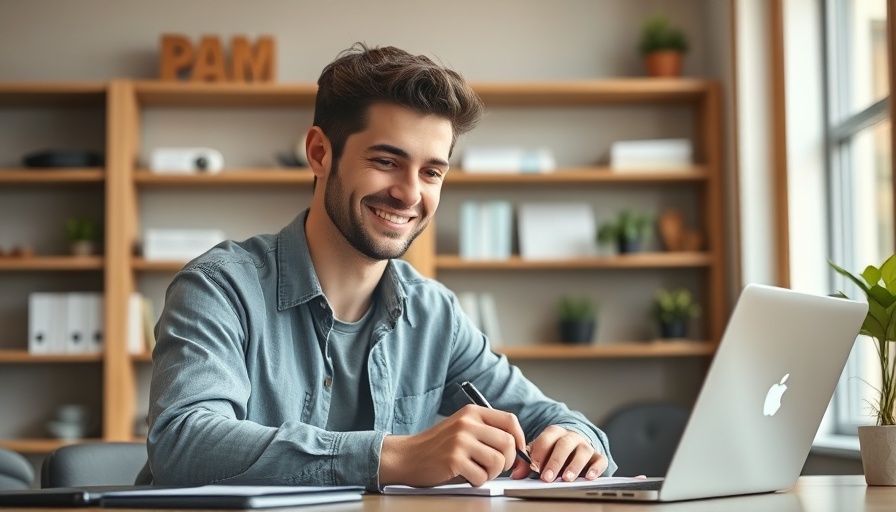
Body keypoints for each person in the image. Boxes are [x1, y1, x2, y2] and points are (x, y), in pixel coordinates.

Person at [140, 42, 616, 491]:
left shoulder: (434, 315)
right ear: (320, 153)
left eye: (432, 172)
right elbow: (184, 444)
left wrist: (576, 444)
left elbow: (557, 421)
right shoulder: (219, 287)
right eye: (387, 161)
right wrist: (392, 457)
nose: (410, 194)